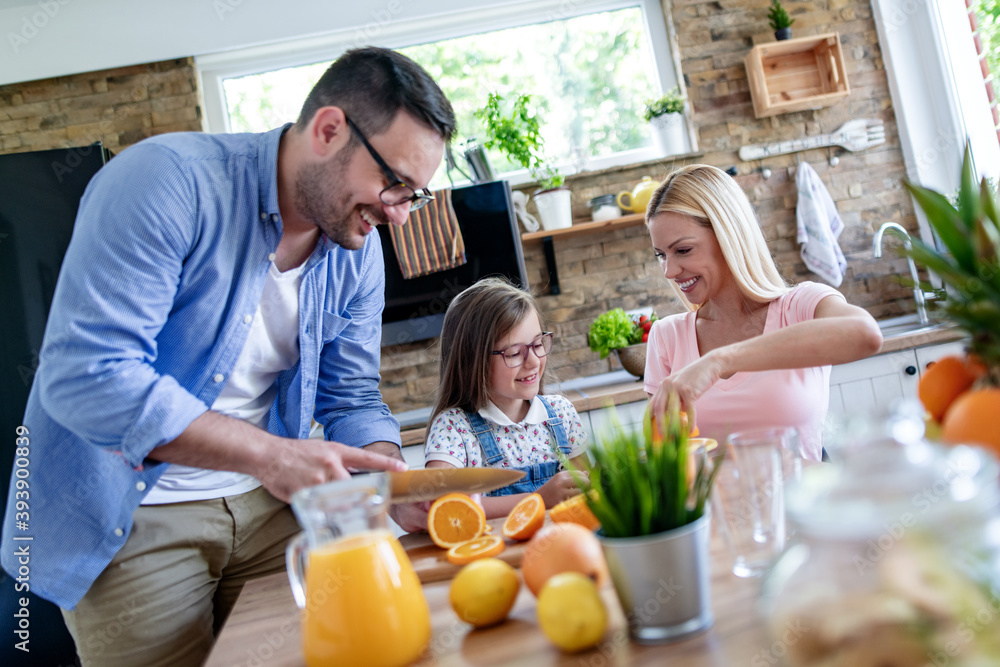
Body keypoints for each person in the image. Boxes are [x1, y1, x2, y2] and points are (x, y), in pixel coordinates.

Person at [0, 47, 455, 667]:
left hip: (272, 509)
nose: (401, 215)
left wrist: (386, 476)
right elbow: (90, 377)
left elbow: (349, 396)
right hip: (133, 517)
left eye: (416, 196)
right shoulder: (165, 182)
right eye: (395, 184)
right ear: (328, 130)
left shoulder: (358, 246)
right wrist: (274, 455)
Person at [643, 164, 883, 460]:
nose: (669, 271)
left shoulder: (799, 307)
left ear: (728, 235)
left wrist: (718, 361)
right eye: (661, 255)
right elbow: (665, 459)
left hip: (801, 502)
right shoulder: (667, 337)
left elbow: (866, 335)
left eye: (682, 251)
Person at [423, 277, 589, 518]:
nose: (533, 362)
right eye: (514, 353)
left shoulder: (561, 413)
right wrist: (538, 500)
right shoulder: (453, 429)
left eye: (537, 344)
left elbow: (585, 490)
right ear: (473, 361)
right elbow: (445, 509)